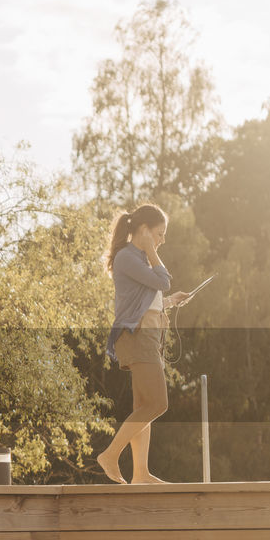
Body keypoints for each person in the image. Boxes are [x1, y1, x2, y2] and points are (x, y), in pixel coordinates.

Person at [95, 204, 192, 484]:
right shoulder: (129, 257)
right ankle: (110, 455)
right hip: (137, 336)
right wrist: (152, 251)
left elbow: (149, 297)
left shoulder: (136, 259)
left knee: (143, 405)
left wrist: (172, 301)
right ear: (144, 230)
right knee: (158, 403)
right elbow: (163, 280)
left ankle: (140, 473)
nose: (162, 241)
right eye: (159, 234)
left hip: (144, 334)